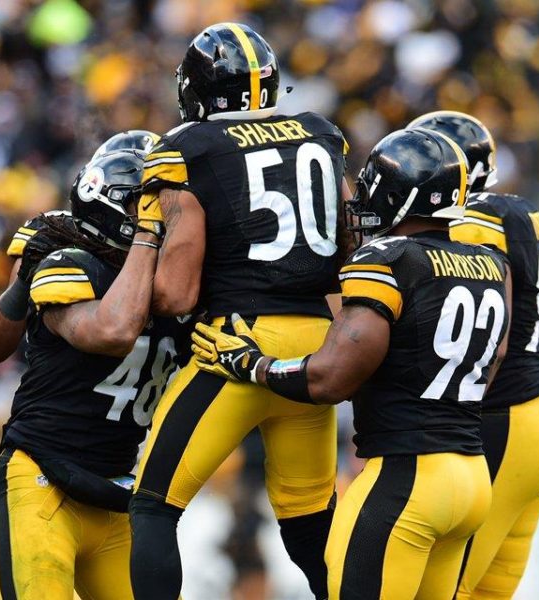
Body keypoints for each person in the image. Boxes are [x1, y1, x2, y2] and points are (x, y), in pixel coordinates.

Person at [193, 129, 511, 599]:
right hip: (469, 477)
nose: (362, 204)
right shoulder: (490, 264)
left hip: (406, 481)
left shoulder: (388, 259)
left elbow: (329, 378)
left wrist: (252, 364)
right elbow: (496, 358)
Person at [126, 22, 349, 600]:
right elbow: (349, 249)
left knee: (151, 505)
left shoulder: (186, 149)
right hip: (315, 349)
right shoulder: (322, 135)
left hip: (236, 344)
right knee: (309, 530)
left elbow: (175, 293)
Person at [0, 149, 185, 599]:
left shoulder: (181, 288)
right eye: (152, 206)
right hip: (45, 479)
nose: (173, 219)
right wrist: (19, 285)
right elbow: (111, 331)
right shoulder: (72, 264)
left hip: (116, 491)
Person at [412, 111, 539, 600]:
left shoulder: (475, 221)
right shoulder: (522, 211)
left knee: (444, 590)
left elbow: (485, 328)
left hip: (505, 420)